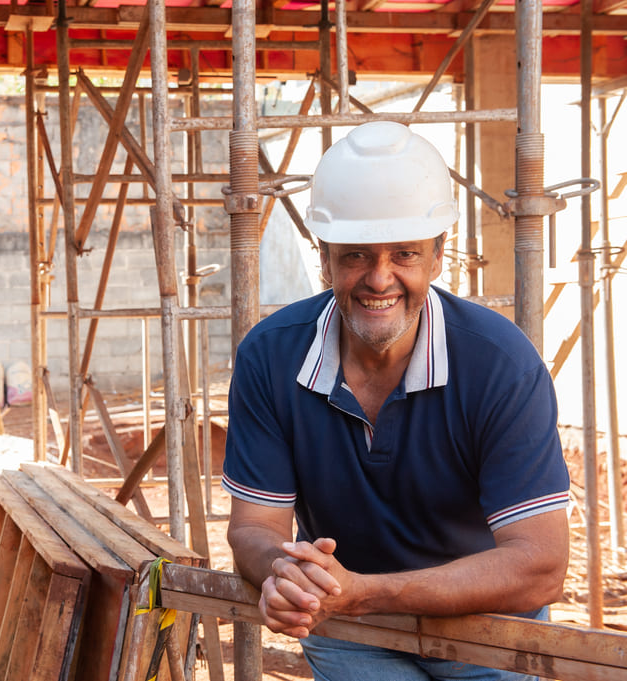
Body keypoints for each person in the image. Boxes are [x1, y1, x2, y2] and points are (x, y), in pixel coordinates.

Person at [222, 121, 571, 681]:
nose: (379, 279)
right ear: (325, 256)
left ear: (438, 258)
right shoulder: (270, 358)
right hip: (351, 631)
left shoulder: (499, 365)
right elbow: (252, 529)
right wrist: (284, 573)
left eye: (404, 254)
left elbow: (541, 567)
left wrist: (363, 593)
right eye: (356, 254)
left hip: (487, 623)